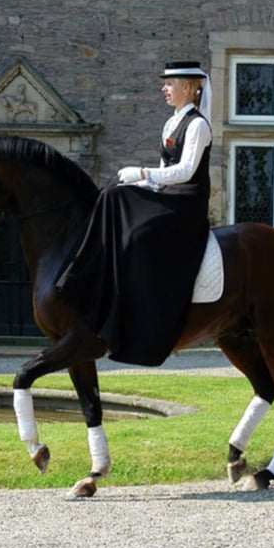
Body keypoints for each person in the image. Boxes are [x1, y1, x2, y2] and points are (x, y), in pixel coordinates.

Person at [56, 61, 213, 366]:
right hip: (168, 194)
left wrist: (141, 172)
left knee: (137, 228)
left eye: (169, 84)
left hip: (187, 201)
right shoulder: (171, 123)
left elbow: (184, 172)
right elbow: (165, 169)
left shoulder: (198, 125)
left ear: (189, 87)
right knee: (113, 195)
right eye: (165, 84)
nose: (164, 89)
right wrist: (140, 181)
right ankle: (90, 273)